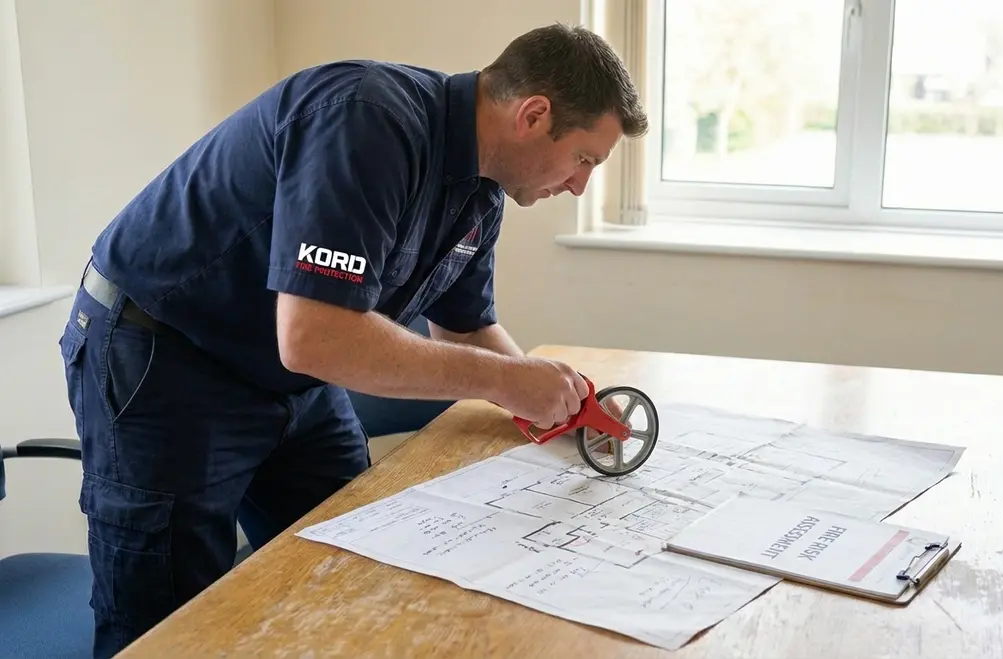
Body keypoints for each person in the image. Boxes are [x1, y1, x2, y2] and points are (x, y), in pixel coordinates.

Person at [56, 22, 647, 658]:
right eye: (585, 159)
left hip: (289, 374)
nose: (581, 185)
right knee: (166, 626)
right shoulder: (367, 120)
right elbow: (316, 337)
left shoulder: (483, 192)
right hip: (165, 356)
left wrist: (566, 402)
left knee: (358, 564)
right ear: (533, 115)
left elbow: (466, 326)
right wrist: (506, 381)